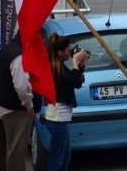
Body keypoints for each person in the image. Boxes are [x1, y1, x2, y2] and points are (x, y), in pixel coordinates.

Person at [44, 33, 89, 171]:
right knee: (56, 160)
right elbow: (73, 81)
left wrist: (81, 66)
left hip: (61, 118)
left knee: (65, 158)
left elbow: (75, 82)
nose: (70, 53)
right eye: (68, 50)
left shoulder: (60, 66)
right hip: (57, 119)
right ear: (59, 52)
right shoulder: (54, 68)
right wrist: (75, 63)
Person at [0, 35, 35, 171]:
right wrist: (29, 105)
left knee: (3, 151)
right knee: (16, 153)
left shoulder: (6, 49)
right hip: (15, 110)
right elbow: (22, 86)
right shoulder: (18, 55)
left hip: (1, 106)